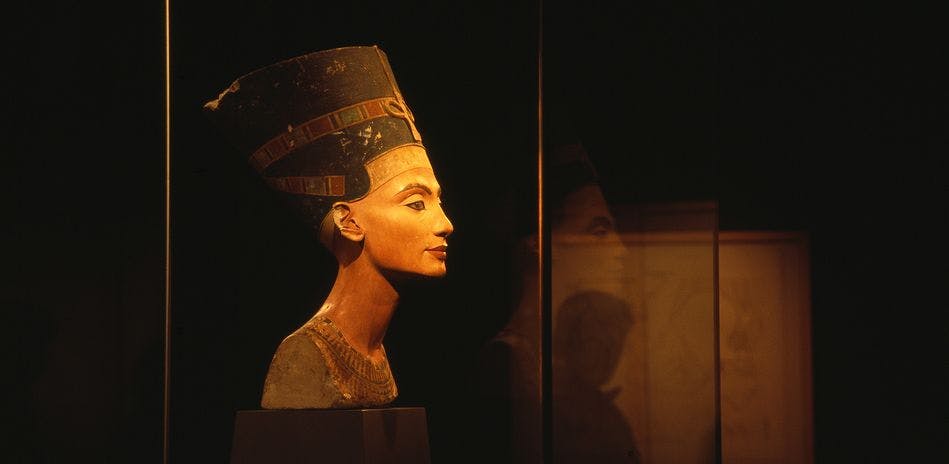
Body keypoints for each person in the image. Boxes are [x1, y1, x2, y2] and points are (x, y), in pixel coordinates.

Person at [204, 46, 453, 409]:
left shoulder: (376, 352)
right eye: (416, 203)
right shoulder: (305, 356)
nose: (445, 224)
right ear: (348, 222)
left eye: (438, 201)